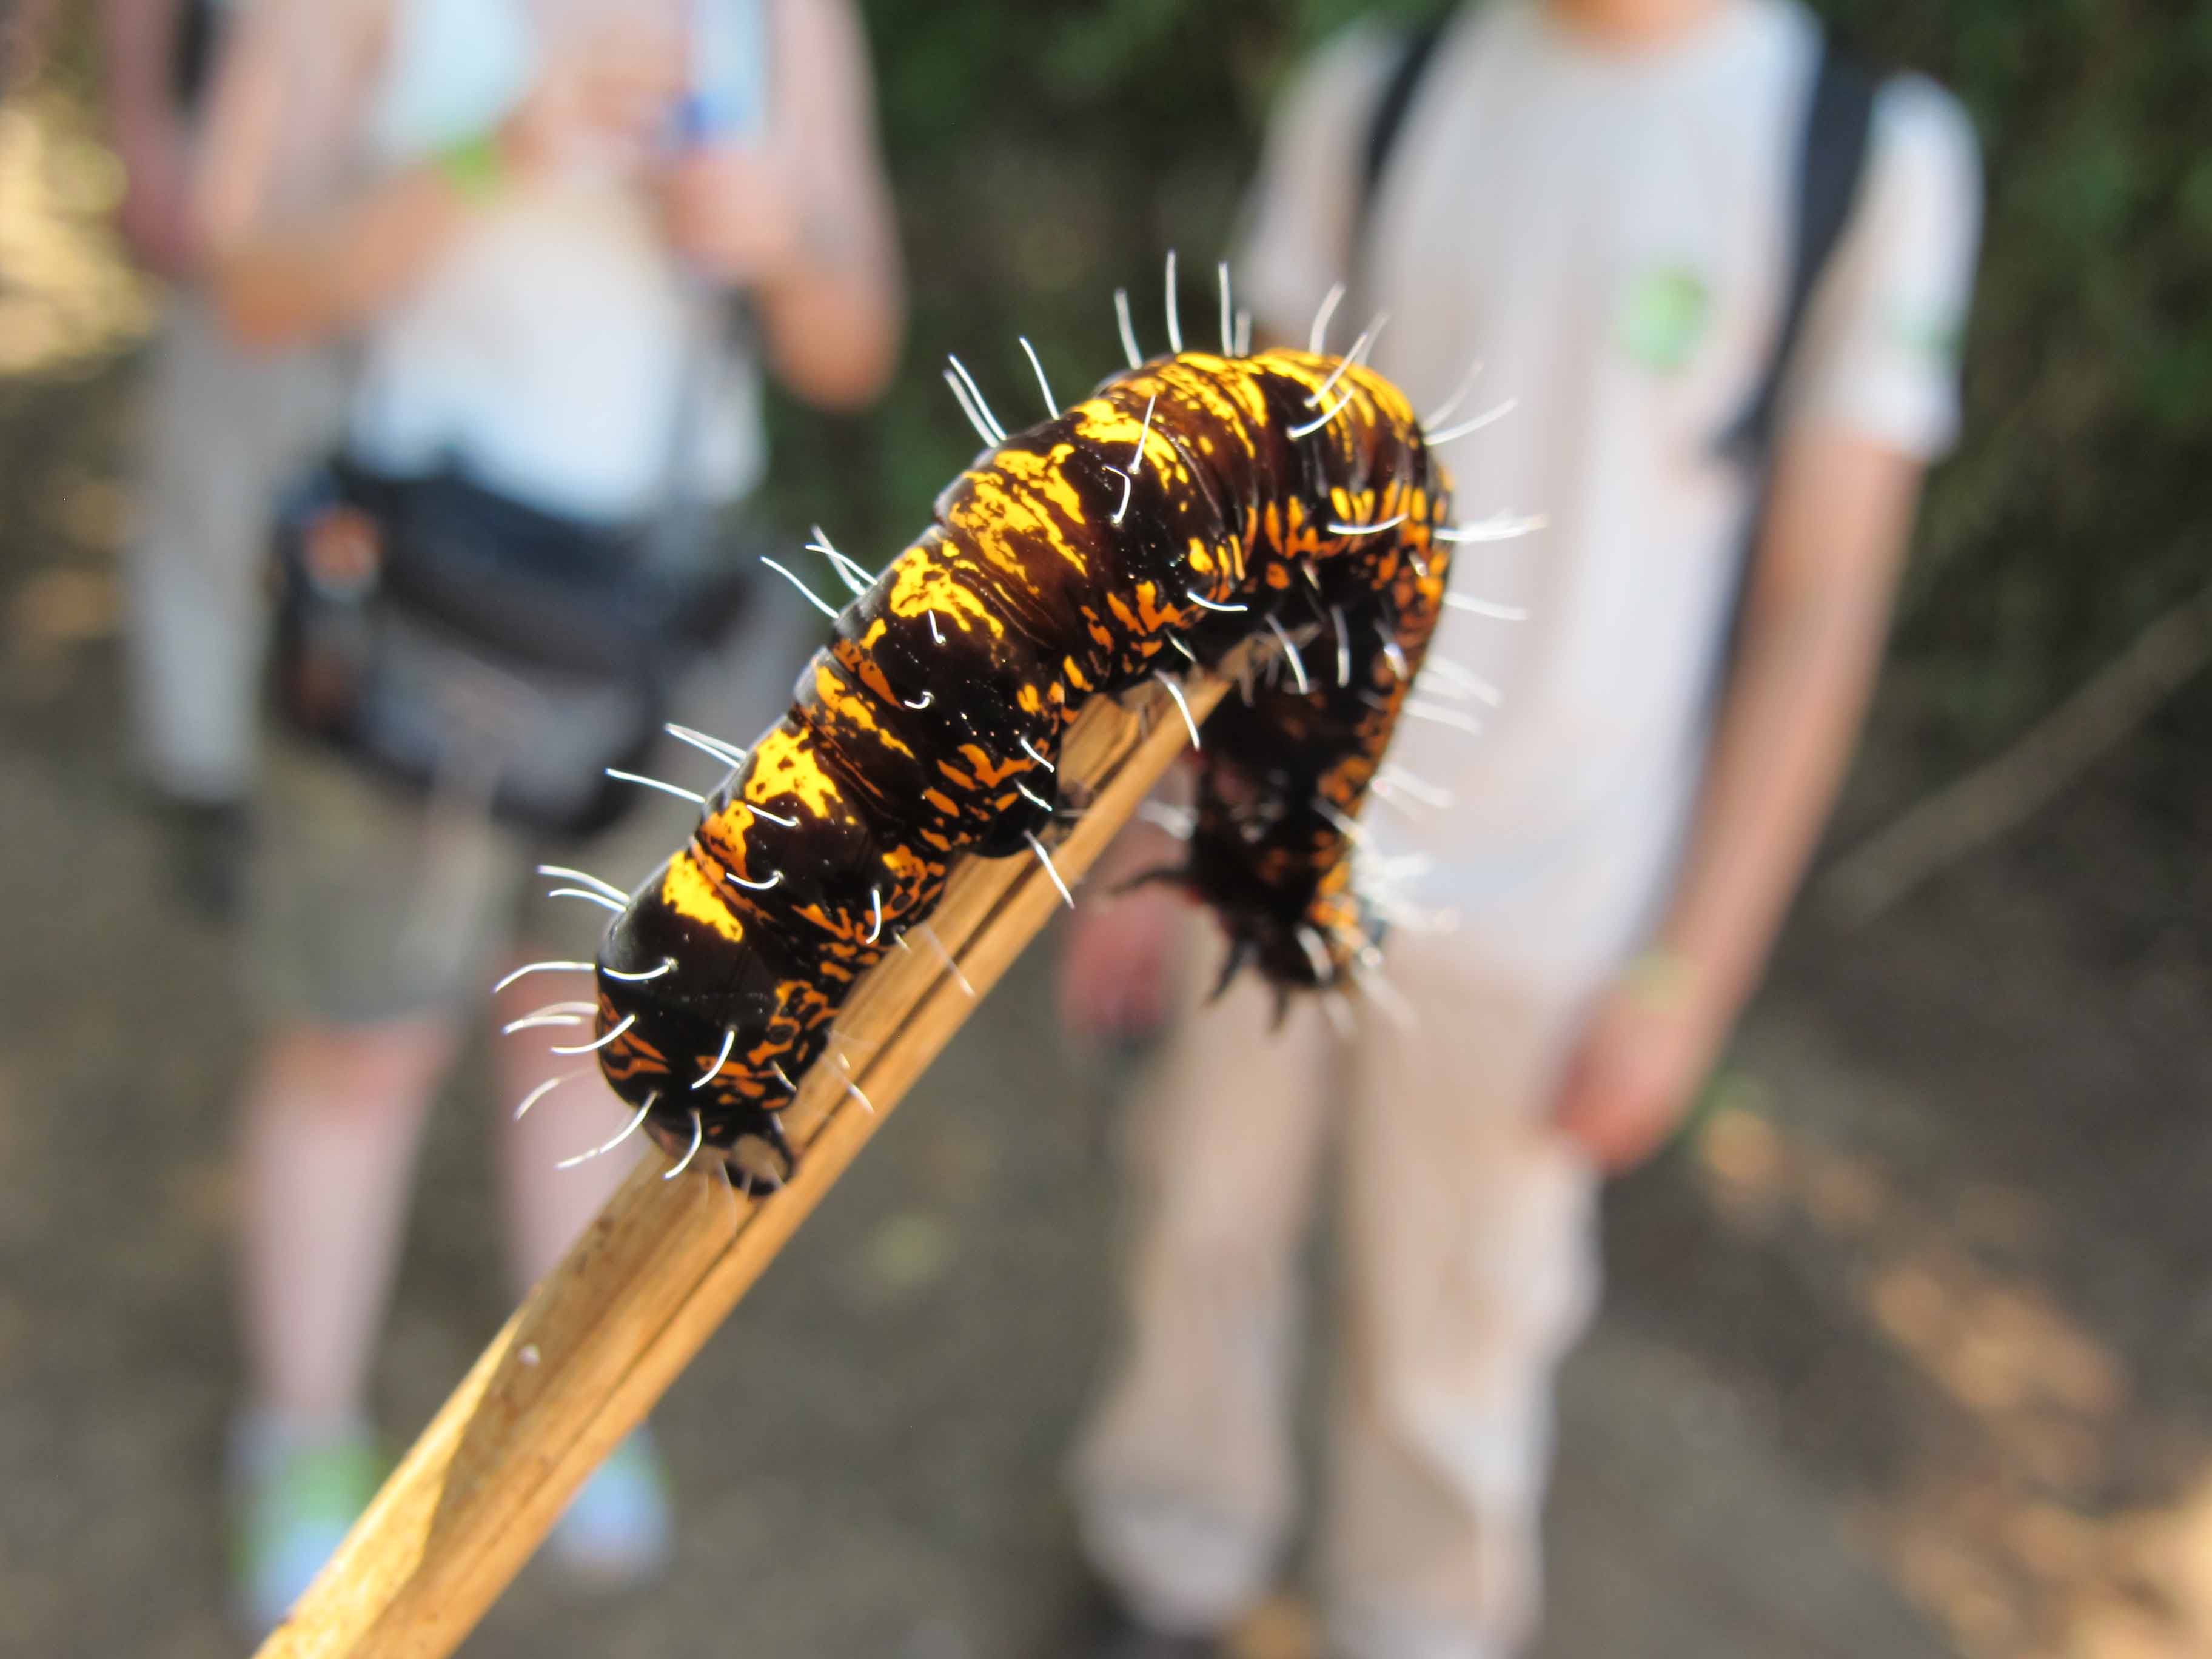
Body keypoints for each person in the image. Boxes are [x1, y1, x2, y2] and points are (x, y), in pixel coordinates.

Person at [1058, 0, 1982, 1653]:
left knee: (1452, 1348)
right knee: (1199, 1229)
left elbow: (1822, 600)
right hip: (1271, 822)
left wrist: (1686, 976)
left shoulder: (1861, 158)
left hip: (1563, 901)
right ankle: (1165, 1573)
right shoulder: (1385, 91)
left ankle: (1413, 1626)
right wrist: (1155, 811)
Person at [187, 0, 902, 1631]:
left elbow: (850, 339)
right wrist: (486, 152)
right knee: (354, 1043)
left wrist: (774, 239)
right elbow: (243, 279)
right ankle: (297, 1436)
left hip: (660, 631)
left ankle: (562, 1412)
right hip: (403, 616)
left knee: (592, 1033)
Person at [102, 0, 347, 914]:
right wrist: (145, 128)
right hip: (255, 145)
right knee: (218, 481)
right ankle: (206, 780)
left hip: (454, 171)